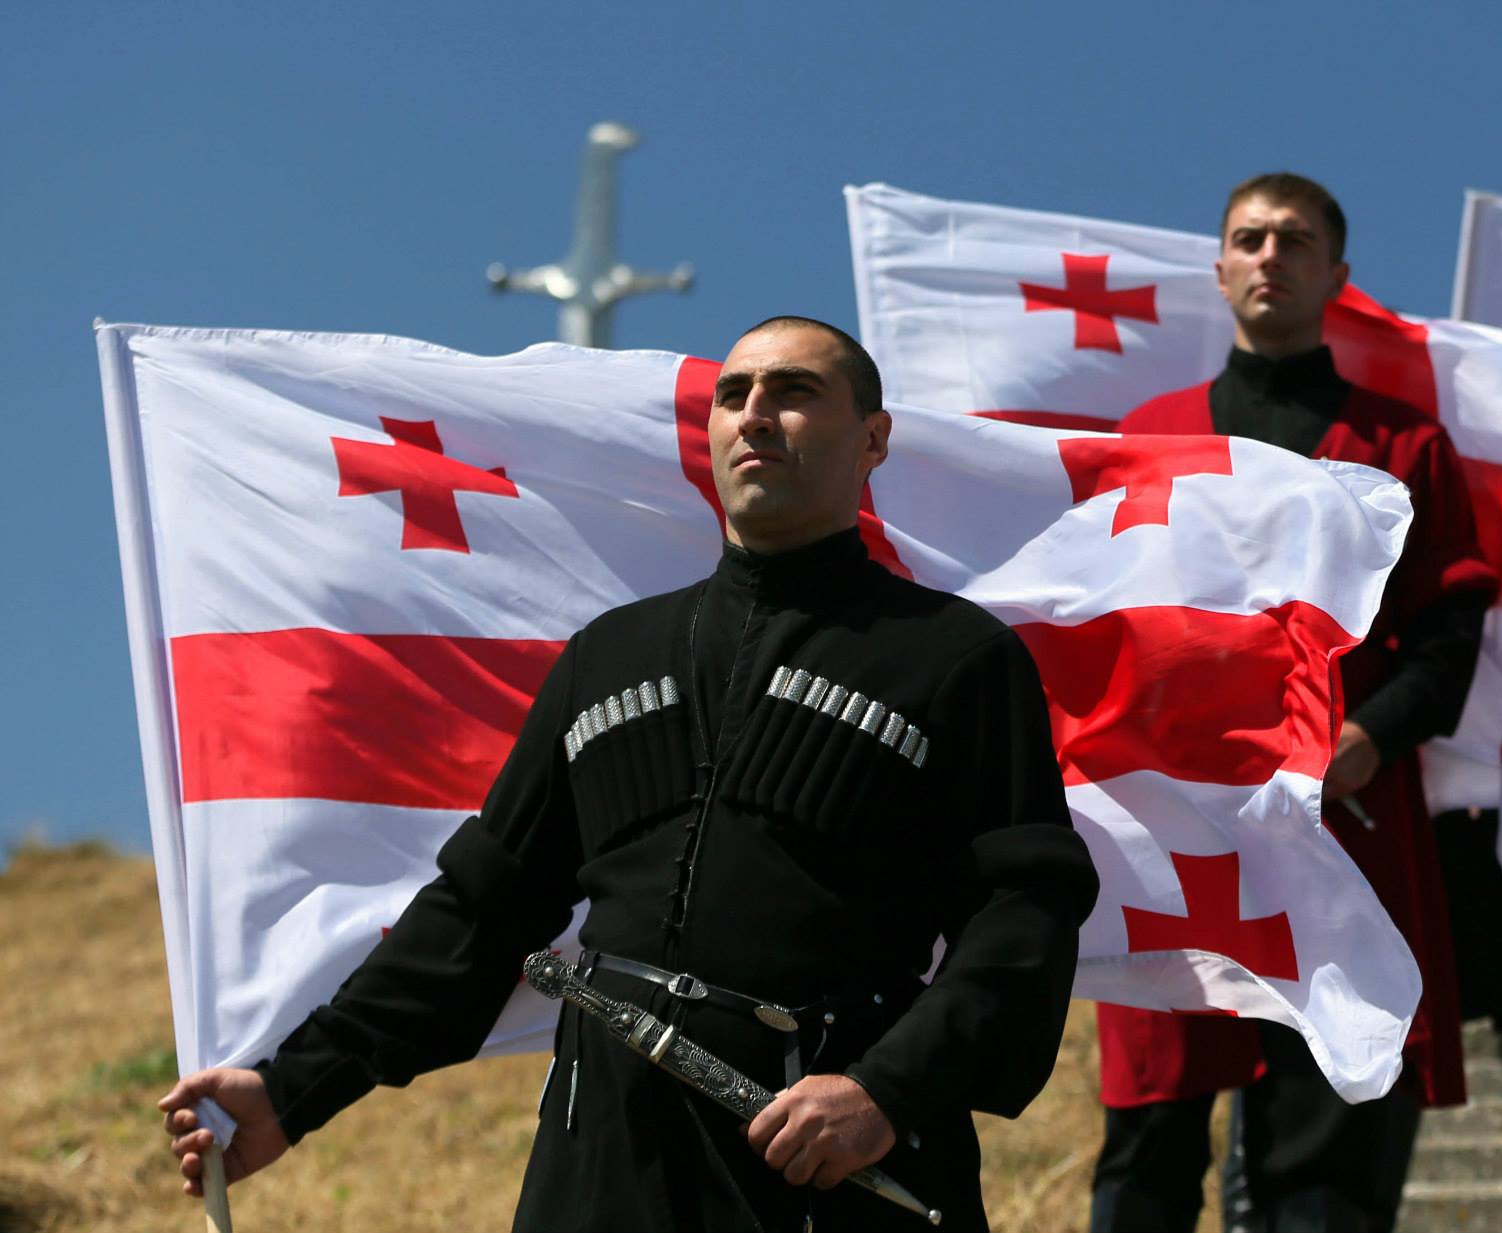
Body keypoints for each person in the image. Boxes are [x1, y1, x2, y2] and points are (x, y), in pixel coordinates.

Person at [157, 317, 1101, 1232]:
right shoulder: (606, 656)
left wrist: (885, 1093)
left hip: (828, 1152)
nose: (756, 414)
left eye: (796, 392)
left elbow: (1025, 912)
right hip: (602, 1146)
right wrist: (292, 1089)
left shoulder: (957, 658)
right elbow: (480, 913)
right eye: (735, 395)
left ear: (873, 438)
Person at [1090, 173, 1498, 1233]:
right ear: (1218, 268)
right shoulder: (1147, 439)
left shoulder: (1401, 447)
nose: (1270, 255)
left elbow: (1449, 637)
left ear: (1335, 276)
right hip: (1172, 843)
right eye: (1249, 238)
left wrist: (1368, 738)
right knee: (1148, 1135)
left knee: (1325, 1137)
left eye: (1295, 241)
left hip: (1344, 828)